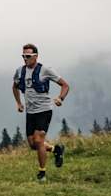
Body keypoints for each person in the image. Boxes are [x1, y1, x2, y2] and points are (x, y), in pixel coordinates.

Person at [12, 43, 70, 182]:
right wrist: (19, 103)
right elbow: (14, 86)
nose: (25, 59)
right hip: (30, 112)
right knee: (33, 145)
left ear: (36, 56)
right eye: (23, 56)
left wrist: (60, 98)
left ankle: (42, 173)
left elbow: (65, 85)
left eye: (28, 56)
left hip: (44, 110)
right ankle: (56, 149)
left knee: (39, 141)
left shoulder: (45, 70)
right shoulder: (20, 71)